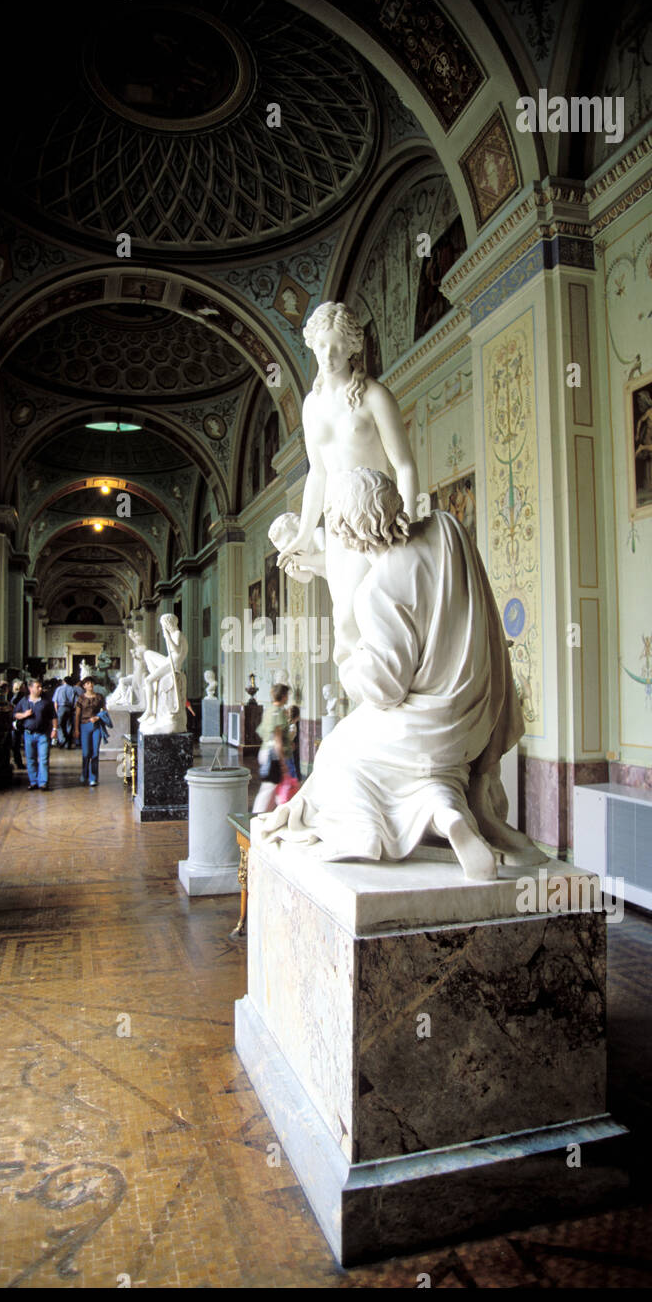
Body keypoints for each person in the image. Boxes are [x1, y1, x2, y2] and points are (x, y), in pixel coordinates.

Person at [258, 470, 543, 879]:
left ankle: (376, 829)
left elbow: (385, 689)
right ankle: (445, 810)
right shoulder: (447, 529)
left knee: (336, 757)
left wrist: (349, 662)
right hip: (481, 715)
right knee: (423, 768)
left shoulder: (379, 590)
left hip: (430, 725)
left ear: (347, 533)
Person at [273, 302, 420, 666]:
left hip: (374, 518)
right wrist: (304, 534)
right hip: (336, 522)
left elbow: (403, 464)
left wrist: (409, 521)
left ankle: (386, 692)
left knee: (356, 615)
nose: (329, 354)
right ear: (312, 345)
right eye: (323, 345)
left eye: (338, 345)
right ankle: (370, 704)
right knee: (345, 621)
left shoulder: (374, 396)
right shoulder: (311, 406)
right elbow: (317, 474)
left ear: (354, 346)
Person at [13, 678, 58, 791]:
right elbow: (15, 714)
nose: (40, 689)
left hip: (43, 734)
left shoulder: (46, 701)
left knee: (43, 759)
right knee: (31, 759)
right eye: (37, 687)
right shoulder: (24, 701)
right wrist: (24, 715)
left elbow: (54, 716)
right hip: (28, 734)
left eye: (40, 686)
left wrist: (54, 729)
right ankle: (33, 781)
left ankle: (43, 782)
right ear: (30, 688)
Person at [252, 683, 290, 814]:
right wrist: (282, 762)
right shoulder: (278, 713)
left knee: (272, 789)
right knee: (268, 789)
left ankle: (267, 815)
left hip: (265, 751)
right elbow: (277, 740)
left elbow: (263, 732)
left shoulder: (268, 710)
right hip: (272, 754)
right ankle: (257, 816)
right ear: (284, 696)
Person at [75, 676, 107, 787]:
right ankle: (84, 774)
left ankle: (93, 778)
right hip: (84, 725)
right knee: (86, 753)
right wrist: (76, 729)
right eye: (88, 683)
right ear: (84, 686)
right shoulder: (81, 698)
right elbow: (77, 714)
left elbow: (105, 711)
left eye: (92, 683)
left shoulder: (99, 697)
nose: (90, 685)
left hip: (96, 725)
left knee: (95, 753)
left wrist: (98, 717)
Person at [52, 676, 78, 748]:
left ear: (64, 681)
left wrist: (56, 710)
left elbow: (55, 701)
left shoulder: (59, 689)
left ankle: (62, 741)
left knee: (59, 725)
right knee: (68, 725)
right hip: (69, 708)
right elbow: (76, 702)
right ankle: (67, 744)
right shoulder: (73, 689)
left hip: (61, 708)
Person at [9, 678, 26, 770]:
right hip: (18, 722)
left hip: (17, 722)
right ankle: (18, 762)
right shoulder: (19, 696)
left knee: (16, 744)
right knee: (16, 744)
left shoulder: (16, 696)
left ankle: (18, 762)